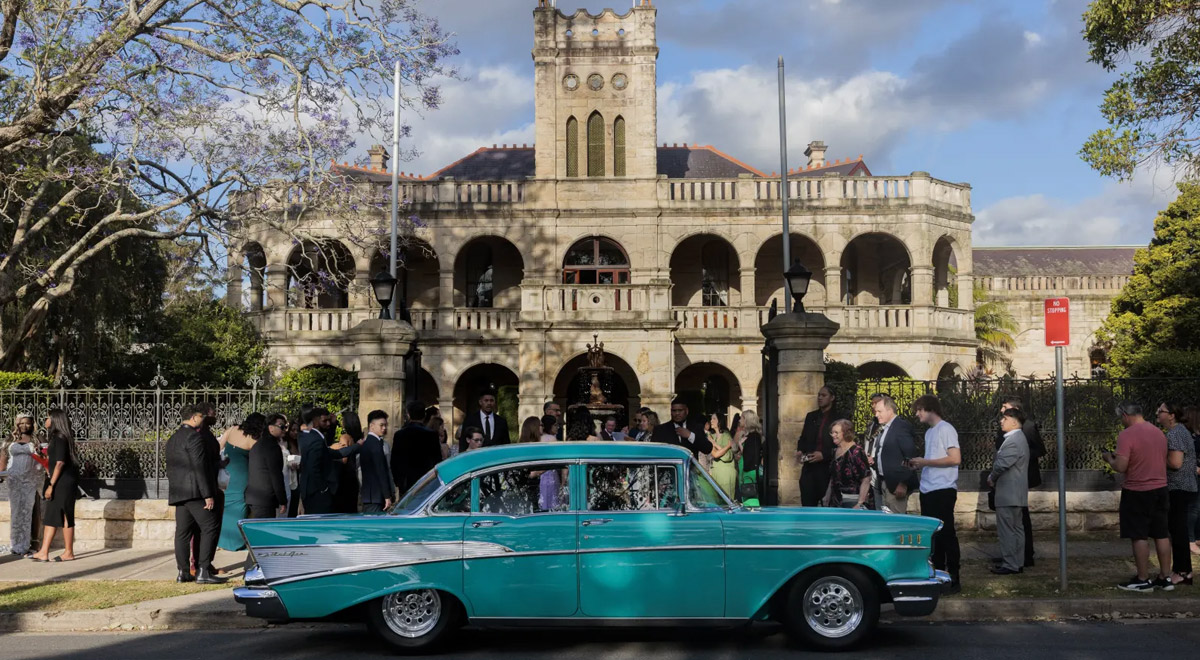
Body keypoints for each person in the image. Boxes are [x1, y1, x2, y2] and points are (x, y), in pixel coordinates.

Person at [1103, 401, 1173, 591]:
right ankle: (1165, 577)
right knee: (1161, 533)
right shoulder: (1158, 432)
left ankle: (1143, 578)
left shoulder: (1127, 435)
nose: (1121, 422)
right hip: (1160, 487)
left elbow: (1121, 466)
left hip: (1137, 490)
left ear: (1126, 415)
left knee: (1138, 534)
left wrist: (1109, 458)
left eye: (1121, 418)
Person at [164, 403, 224, 584]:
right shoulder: (194, 438)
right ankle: (203, 570)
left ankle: (183, 572)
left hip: (179, 492)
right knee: (210, 526)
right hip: (196, 492)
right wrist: (208, 494)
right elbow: (199, 468)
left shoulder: (173, 438)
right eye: (200, 417)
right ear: (193, 418)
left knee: (182, 532)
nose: (202, 420)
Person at [909, 395, 962, 592]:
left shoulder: (946, 429)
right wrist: (920, 463)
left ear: (930, 408)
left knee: (947, 533)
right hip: (928, 488)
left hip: (943, 488)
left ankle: (954, 576)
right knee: (934, 536)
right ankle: (938, 574)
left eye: (919, 410)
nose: (917, 414)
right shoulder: (930, 432)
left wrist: (926, 462)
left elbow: (955, 458)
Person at [997, 397, 1045, 568]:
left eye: (1005, 408)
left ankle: (1024, 555)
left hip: (1022, 475)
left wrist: (1020, 455)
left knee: (1019, 519)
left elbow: (1040, 449)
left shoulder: (1028, 427)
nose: (1002, 411)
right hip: (1010, 477)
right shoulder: (1004, 429)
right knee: (1016, 521)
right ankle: (1016, 556)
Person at [1157, 401, 1196, 587]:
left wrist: (1156, 457)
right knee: (1178, 530)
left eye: (1161, 410)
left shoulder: (1175, 433)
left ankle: (1183, 572)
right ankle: (1181, 570)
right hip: (1183, 486)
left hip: (1179, 487)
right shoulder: (1179, 431)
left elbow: (1175, 463)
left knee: (1178, 531)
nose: (1158, 412)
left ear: (1171, 415)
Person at [989, 407, 1029, 575]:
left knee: (1007, 530)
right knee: (1017, 529)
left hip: (1008, 493)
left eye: (1004, 419)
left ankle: (1010, 564)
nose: (1001, 421)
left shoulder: (1013, 440)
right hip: (1016, 493)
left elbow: (1002, 464)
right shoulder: (1019, 438)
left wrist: (992, 477)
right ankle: (1017, 561)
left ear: (1014, 422)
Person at [298, 407, 360, 515]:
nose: (328, 424)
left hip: (313, 491)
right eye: (324, 421)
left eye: (328, 420)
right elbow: (314, 468)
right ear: (316, 421)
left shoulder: (311, 437)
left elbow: (335, 453)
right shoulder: (316, 440)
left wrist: (357, 446)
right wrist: (324, 489)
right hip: (317, 493)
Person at [216, 413, 263, 551]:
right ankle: (234, 542)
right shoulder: (253, 440)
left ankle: (222, 540)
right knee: (239, 506)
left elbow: (219, 446)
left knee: (226, 506)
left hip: (228, 473)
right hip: (242, 476)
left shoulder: (232, 430)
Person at [867, 394, 918, 513]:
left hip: (896, 485)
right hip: (885, 483)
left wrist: (903, 483)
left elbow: (910, 456)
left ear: (890, 410)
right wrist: (875, 460)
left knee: (896, 521)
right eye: (876, 411)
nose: (876, 415)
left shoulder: (901, 426)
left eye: (879, 411)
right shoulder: (885, 427)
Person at [2, 413, 43, 556]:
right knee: (16, 512)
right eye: (21, 423)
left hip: (30, 480)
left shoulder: (37, 439)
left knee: (29, 512)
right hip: (14, 480)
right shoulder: (10, 439)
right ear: (17, 424)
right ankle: (15, 543)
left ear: (33, 424)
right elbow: (4, 457)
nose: (24, 426)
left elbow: (43, 457)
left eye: (28, 423)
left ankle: (31, 544)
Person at [796, 386, 839, 507]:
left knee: (827, 505)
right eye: (819, 395)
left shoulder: (839, 417)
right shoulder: (811, 416)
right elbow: (803, 438)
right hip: (809, 468)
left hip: (827, 469)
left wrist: (824, 455)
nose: (820, 398)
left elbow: (843, 445)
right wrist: (800, 451)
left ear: (832, 398)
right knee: (807, 503)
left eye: (824, 395)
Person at [393, 402, 443, 495]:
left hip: (406, 481)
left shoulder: (399, 435)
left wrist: (398, 481)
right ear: (424, 415)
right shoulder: (431, 434)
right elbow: (437, 459)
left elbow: (395, 460)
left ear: (408, 415)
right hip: (426, 480)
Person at [245, 413, 288, 520]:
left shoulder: (258, 444)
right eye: (281, 426)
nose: (284, 429)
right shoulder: (272, 447)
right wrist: (282, 500)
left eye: (285, 426)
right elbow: (276, 475)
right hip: (265, 499)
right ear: (271, 428)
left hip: (254, 497)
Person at [822, 420, 872, 510]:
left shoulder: (856, 451)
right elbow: (834, 477)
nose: (833, 435)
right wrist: (827, 496)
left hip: (853, 501)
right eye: (832, 432)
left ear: (846, 433)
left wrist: (860, 503)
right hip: (836, 501)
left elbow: (866, 478)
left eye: (836, 432)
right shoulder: (835, 451)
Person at [360, 410, 394, 514]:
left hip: (371, 495)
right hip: (375, 496)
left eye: (385, 425)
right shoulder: (375, 444)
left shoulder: (370, 443)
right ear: (372, 426)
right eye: (381, 425)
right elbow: (381, 471)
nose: (384, 428)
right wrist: (387, 496)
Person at [332, 411, 364, 514]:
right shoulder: (359, 437)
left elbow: (343, 458)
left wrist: (333, 450)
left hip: (344, 478)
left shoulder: (345, 437)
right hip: (353, 478)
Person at [535, 415, 564, 511]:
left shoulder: (538, 438)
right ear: (549, 426)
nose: (557, 428)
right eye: (555, 425)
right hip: (550, 473)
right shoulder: (551, 439)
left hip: (539, 473)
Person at [1183, 405, 1200, 556]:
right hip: (1192, 476)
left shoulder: (1196, 435)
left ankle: (1197, 537)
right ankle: (1190, 540)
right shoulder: (1187, 436)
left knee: (1197, 507)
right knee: (1193, 508)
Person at [708, 413, 738, 499]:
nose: (711, 421)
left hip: (725, 472)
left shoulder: (726, 435)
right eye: (711, 419)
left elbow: (727, 456)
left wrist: (715, 444)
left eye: (714, 419)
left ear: (719, 421)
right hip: (715, 471)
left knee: (725, 499)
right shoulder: (712, 436)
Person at [738, 411, 764, 506]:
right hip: (745, 470)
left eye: (741, 418)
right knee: (745, 497)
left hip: (749, 472)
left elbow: (751, 455)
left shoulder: (754, 436)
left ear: (746, 420)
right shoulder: (748, 435)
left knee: (750, 498)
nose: (740, 420)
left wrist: (741, 447)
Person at [283, 420, 301, 517]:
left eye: (297, 430)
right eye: (292, 430)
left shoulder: (299, 442)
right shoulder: (286, 444)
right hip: (290, 478)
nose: (295, 432)